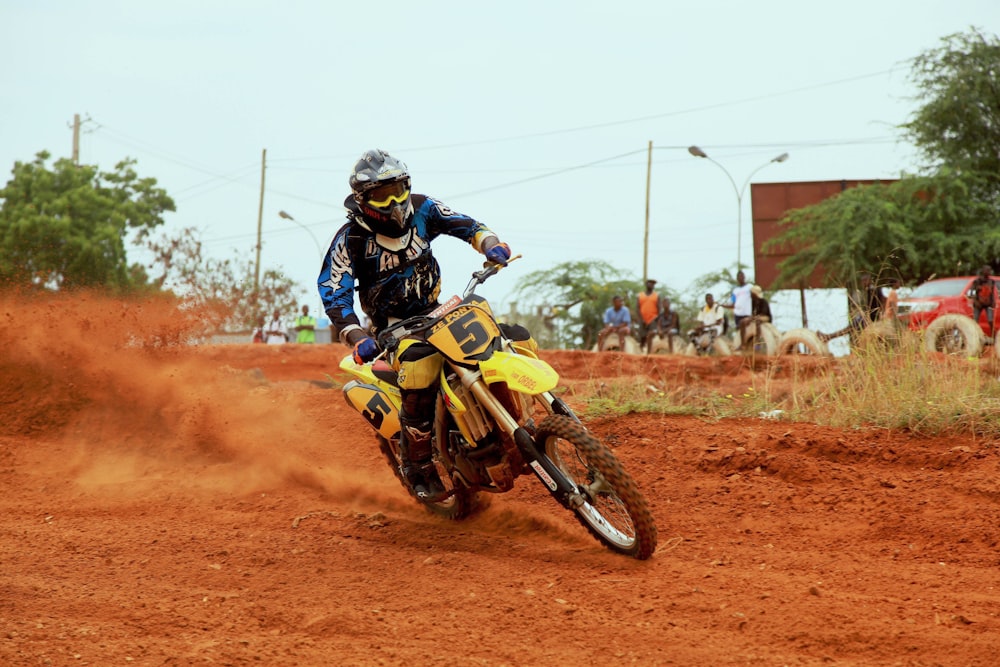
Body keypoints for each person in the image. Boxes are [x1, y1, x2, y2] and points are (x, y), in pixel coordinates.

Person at [318, 149, 516, 500]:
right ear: (363, 200)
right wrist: (356, 334)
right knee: (420, 368)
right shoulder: (350, 239)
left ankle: (521, 419)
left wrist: (491, 245)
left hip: (437, 309)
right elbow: (335, 292)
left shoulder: (423, 208)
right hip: (394, 328)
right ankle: (418, 467)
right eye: (381, 195)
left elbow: (467, 226)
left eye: (397, 190)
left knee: (505, 335)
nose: (393, 201)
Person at [819, 272, 885, 342]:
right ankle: (828, 337)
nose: (862, 284)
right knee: (851, 326)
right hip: (872, 316)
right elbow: (882, 301)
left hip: (870, 318)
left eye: (863, 282)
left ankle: (828, 337)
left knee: (850, 328)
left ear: (867, 280)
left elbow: (870, 307)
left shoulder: (871, 290)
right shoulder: (877, 288)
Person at [966, 265, 995, 337]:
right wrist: (975, 300)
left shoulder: (991, 281)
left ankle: (993, 335)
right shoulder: (977, 281)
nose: (988, 272)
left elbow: (992, 293)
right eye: (987, 270)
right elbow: (970, 293)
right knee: (975, 321)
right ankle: (974, 335)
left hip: (988, 303)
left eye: (989, 270)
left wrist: (993, 301)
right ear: (983, 271)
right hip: (978, 303)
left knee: (990, 320)